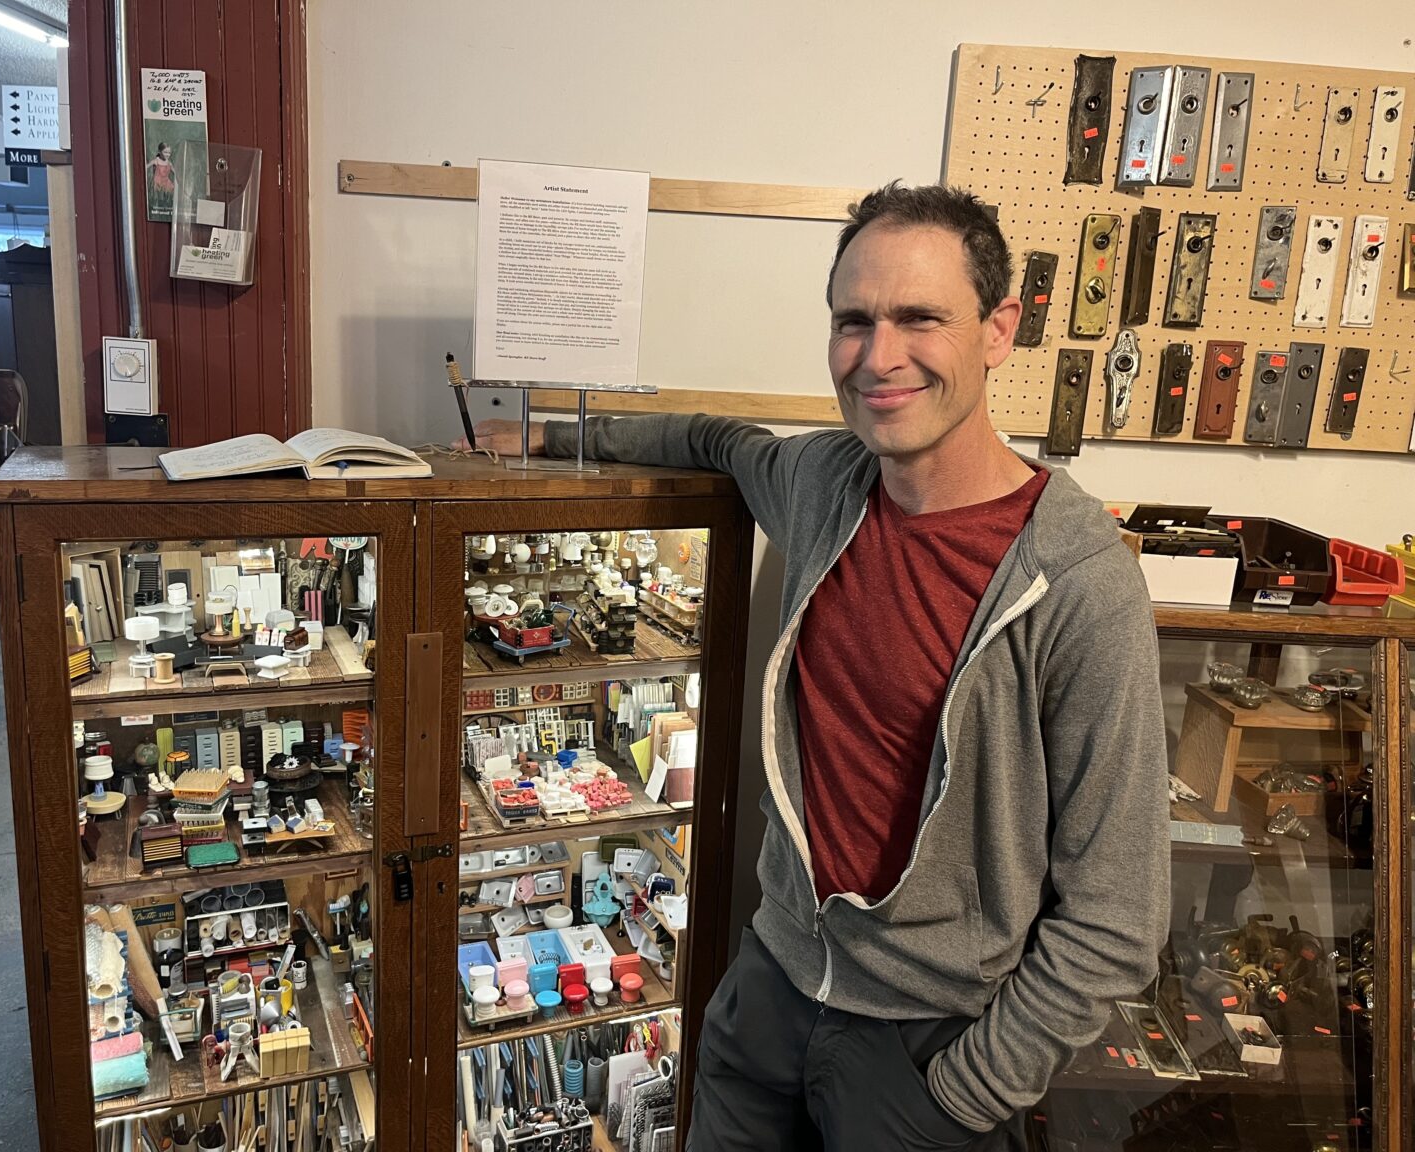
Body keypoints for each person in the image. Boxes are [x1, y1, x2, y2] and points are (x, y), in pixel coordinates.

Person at [462, 182, 1168, 1150]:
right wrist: (549, 439)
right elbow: (713, 440)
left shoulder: (1078, 584)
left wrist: (958, 1097)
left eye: (920, 317)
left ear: (999, 329)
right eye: (854, 321)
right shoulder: (825, 484)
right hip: (770, 997)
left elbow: (1118, 921)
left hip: (926, 1052)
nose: (880, 357)